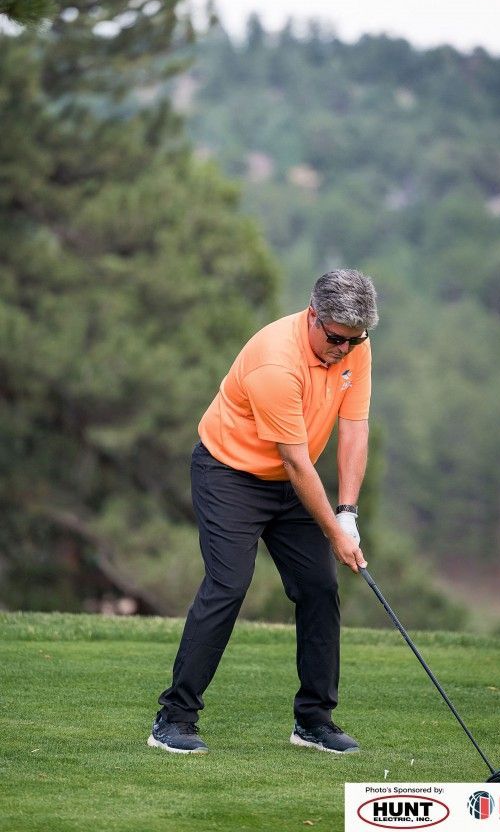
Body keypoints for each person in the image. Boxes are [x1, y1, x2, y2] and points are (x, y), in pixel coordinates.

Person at [148, 268, 378, 755]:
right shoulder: (276, 361)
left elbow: (354, 429)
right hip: (229, 473)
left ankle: (314, 721)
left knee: (319, 587)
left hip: (293, 482)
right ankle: (174, 717)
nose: (345, 350)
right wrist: (335, 536)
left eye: (356, 341)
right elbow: (295, 460)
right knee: (228, 585)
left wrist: (348, 513)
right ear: (313, 317)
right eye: (337, 339)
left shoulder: (354, 346)